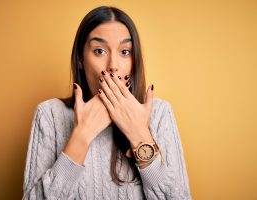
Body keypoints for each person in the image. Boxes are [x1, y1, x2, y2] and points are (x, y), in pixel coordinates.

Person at [22, 6, 192, 200]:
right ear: (80, 59)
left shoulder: (160, 113)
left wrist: (139, 135)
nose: (113, 66)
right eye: (100, 51)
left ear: (134, 61)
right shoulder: (50, 114)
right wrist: (82, 135)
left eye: (125, 51)